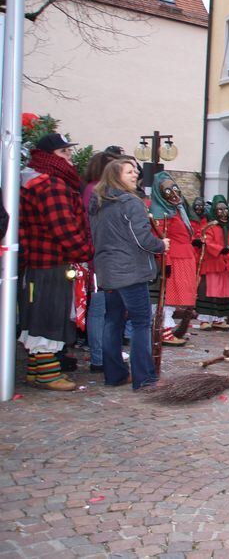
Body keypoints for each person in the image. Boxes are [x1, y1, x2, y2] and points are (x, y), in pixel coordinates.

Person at [19, 133, 94, 391]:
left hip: (39, 261)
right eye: (64, 153)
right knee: (49, 316)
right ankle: (48, 374)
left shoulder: (38, 182)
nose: (70, 158)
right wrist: (85, 252)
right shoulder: (51, 185)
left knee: (37, 315)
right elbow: (64, 228)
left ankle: (35, 370)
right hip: (52, 262)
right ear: (49, 156)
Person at [89, 158, 167, 390]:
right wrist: (161, 244)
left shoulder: (100, 202)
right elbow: (142, 239)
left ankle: (114, 375)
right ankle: (144, 377)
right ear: (115, 176)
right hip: (129, 272)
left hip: (108, 271)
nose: (135, 175)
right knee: (141, 323)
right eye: (129, 172)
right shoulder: (130, 202)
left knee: (112, 321)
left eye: (135, 171)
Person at [81, 151, 119, 373]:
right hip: (99, 257)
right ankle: (98, 356)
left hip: (105, 256)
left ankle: (104, 354)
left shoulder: (99, 190)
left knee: (105, 309)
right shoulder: (95, 190)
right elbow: (93, 225)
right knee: (99, 309)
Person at [148, 171, 195, 347]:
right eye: (168, 192)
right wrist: (165, 262)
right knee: (168, 297)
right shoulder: (161, 214)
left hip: (183, 257)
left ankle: (166, 329)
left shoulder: (177, 210)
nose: (174, 195)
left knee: (175, 297)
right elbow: (161, 239)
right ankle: (164, 331)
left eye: (175, 189)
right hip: (172, 258)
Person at [195, 196, 229, 330]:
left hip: (228, 265)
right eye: (219, 210)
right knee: (210, 290)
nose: (223, 212)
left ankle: (219, 319)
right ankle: (205, 319)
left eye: (225, 209)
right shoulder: (210, 226)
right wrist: (220, 249)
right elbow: (206, 241)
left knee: (224, 292)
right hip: (213, 263)